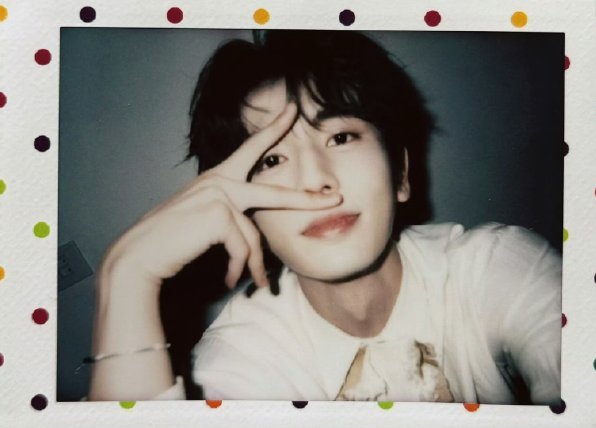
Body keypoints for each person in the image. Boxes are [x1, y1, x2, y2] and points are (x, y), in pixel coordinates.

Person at [88, 30, 561, 404]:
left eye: (340, 137)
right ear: (243, 213)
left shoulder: (494, 266)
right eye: (272, 160)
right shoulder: (240, 359)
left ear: (400, 173)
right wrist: (126, 277)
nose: (315, 181)